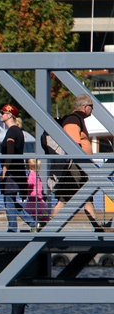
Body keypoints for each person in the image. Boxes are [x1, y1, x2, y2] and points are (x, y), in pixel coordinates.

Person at [50, 94, 105, 231]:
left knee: (77, 196)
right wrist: (84, 164)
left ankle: (96, 225)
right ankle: (50, 226)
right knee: (77, 195)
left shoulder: (77, 119)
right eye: (91, 107)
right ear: (85, 107)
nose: (92, 110)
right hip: (76, 165)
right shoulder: (73, 120)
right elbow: (73, 145)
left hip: (80, 165)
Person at [0, 104, 35, 233]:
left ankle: (13, 229)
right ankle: (33, 223)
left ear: (9, 115)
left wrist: (4, 171)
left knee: (9, 201)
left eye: (2, 113)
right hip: (16, 172)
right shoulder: (17, 131)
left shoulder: (12, 131)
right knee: (11, 202)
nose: (0, 115)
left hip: (12, 173)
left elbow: (10, 152)